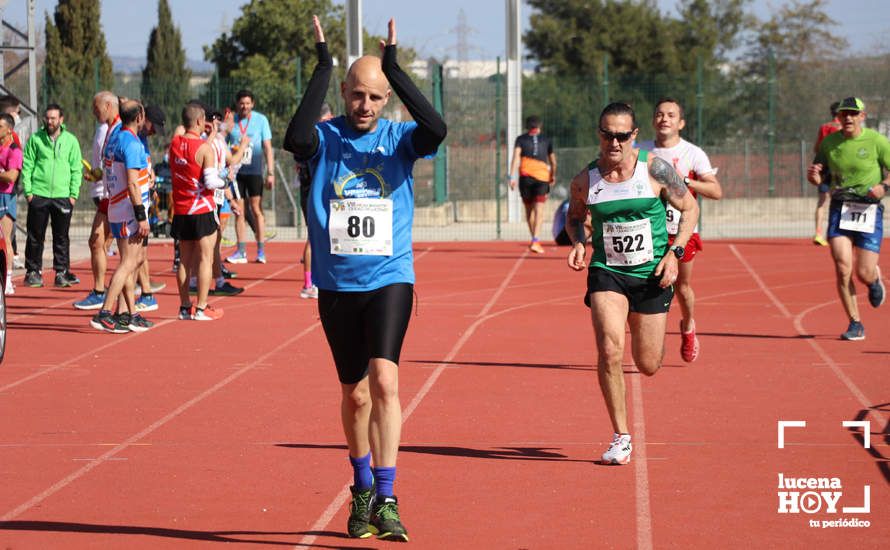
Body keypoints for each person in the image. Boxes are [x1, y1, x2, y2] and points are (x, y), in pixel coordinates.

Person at [283, 16, 446, 541]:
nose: (366, 107)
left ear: (387, 100)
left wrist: (394, 68)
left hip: (389, 276)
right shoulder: (325, 140)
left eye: (376, 97)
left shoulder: (401, 139)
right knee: (355, 396)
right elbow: (293, 136)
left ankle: (389, 494)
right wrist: (324, 65)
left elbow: (437, 128)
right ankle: (362, 490)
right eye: (357, 95)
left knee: (387, 380)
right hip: (336, 284)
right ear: (345, 94)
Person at [566, 102, 698, 465]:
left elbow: (690, 209)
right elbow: (575, 218)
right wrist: (579, 241)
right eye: (607, 134)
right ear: (599, 134)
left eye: (622, 135)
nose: (614, 142)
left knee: (648, 363)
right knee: (609, 348)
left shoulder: (655, 170)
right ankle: (621, 435)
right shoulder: (585, 179)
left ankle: (664, 330)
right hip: (607, 272)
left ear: (634, 136)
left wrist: (676, 253)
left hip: (652, 274)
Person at [644, 98, 722, 362]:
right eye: (659, 114)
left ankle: (688, 326)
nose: (664, 118)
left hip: (681, 231)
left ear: (681, 123)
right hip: (648, 230)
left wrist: (683, 179)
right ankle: (648, 339)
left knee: (681, 286)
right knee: (645, 284)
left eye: (671, 115)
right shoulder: (640, 151)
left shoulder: (693, 153)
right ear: (653, 120)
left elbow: (715, 190)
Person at [807, 96, 890, 341]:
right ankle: (855, 323)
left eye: (854, 114)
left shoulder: (877, 141)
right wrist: (815, 179)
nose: (849, 118)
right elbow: (818, 173)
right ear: (839, 117)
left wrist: (883, 187)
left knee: (863, 272)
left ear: (862, 116)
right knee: (843, 267)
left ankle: (873, 280)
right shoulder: (829, 142)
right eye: (845, 114)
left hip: (869, 210)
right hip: (840, 208)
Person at [89, 100, 154, 333]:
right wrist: (142, 215)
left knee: (133, 261)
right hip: (128, 209)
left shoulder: (115, 138)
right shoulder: (132, 144)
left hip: (117, 207)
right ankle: (105, 311)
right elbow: (133, 184)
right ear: (140, 117)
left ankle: (130, 313)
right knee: (128, 262)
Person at [169, 103, 226, 321]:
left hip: (182, 209)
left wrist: (202, 131)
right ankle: (201, 308)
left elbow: (180, 130)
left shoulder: (175, 144)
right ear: (201, 122)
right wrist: (225, 181)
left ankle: (185, 307)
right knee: (205, 257)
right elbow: (211, 182)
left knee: (184, 259)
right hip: (201, 208)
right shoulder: (205, 149)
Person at [21, 103, 82, 288]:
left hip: (63, 195)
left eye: (54, 118)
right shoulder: (36, 139)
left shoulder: (71, 141)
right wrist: (29, 192)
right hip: (39, 194)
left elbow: (76, 169)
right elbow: (27, 165)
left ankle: (61, 272)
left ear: (61, 119)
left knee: (61, 236)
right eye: (47, 118)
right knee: (35, 235)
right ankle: (33, 271)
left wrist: (73, 194)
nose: (50, 121)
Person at [75, 91, 120, 309]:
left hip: (119, 198)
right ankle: (101, 291)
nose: (94, 112)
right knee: (98, 242)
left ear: (109, 105)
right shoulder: (107, 129)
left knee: (127, 252)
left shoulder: (119, 130)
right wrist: (97, 174)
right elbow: (108, 165)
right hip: (108, 195)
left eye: (97, 108)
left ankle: (136, 295)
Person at [226, 89, 274, 264]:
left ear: (252, 104)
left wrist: (270, 172)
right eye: (241, 103)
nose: (244, 106)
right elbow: (223, 143)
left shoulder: (261, 120)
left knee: (256, 210)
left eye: (247, 103)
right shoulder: (231, 121)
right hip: (236, 173)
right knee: (239, 211)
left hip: (255, 171)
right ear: (237, 104)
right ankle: (241, 251)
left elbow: (268, 147)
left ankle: (261, 251)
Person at [295, 102, 333, 299]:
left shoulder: (305, 138)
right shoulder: (317, 138)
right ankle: (309, 284)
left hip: (310, 190)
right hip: (314, 192)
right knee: (314, 237)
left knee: (323, 236)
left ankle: (314, 280)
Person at [508, 115, 556, 253]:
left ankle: (534, 240)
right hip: (542, 178)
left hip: (525, 178)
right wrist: (552, 175)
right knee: (539, 210)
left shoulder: (520, 139)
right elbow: (553, 161)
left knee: (529, 211)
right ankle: (535, 240)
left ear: (527, 127)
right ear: (539, 127)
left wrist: (511, 177)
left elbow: (516, 157)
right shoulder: (547, 140)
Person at [812, 101, 841, 247]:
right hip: (838, 168)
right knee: (842, 200)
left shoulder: (824, 127)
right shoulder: (844, 129)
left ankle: (818, 233)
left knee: (822, 202)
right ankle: (837, 233)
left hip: (823, 166)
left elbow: (816, 148)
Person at [0, 113, 22, 295]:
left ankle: (7, 279)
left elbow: (11, 176)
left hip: (6, 197)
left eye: (0, 126)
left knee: (6, 238)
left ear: (9, 129)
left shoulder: (14, 150)